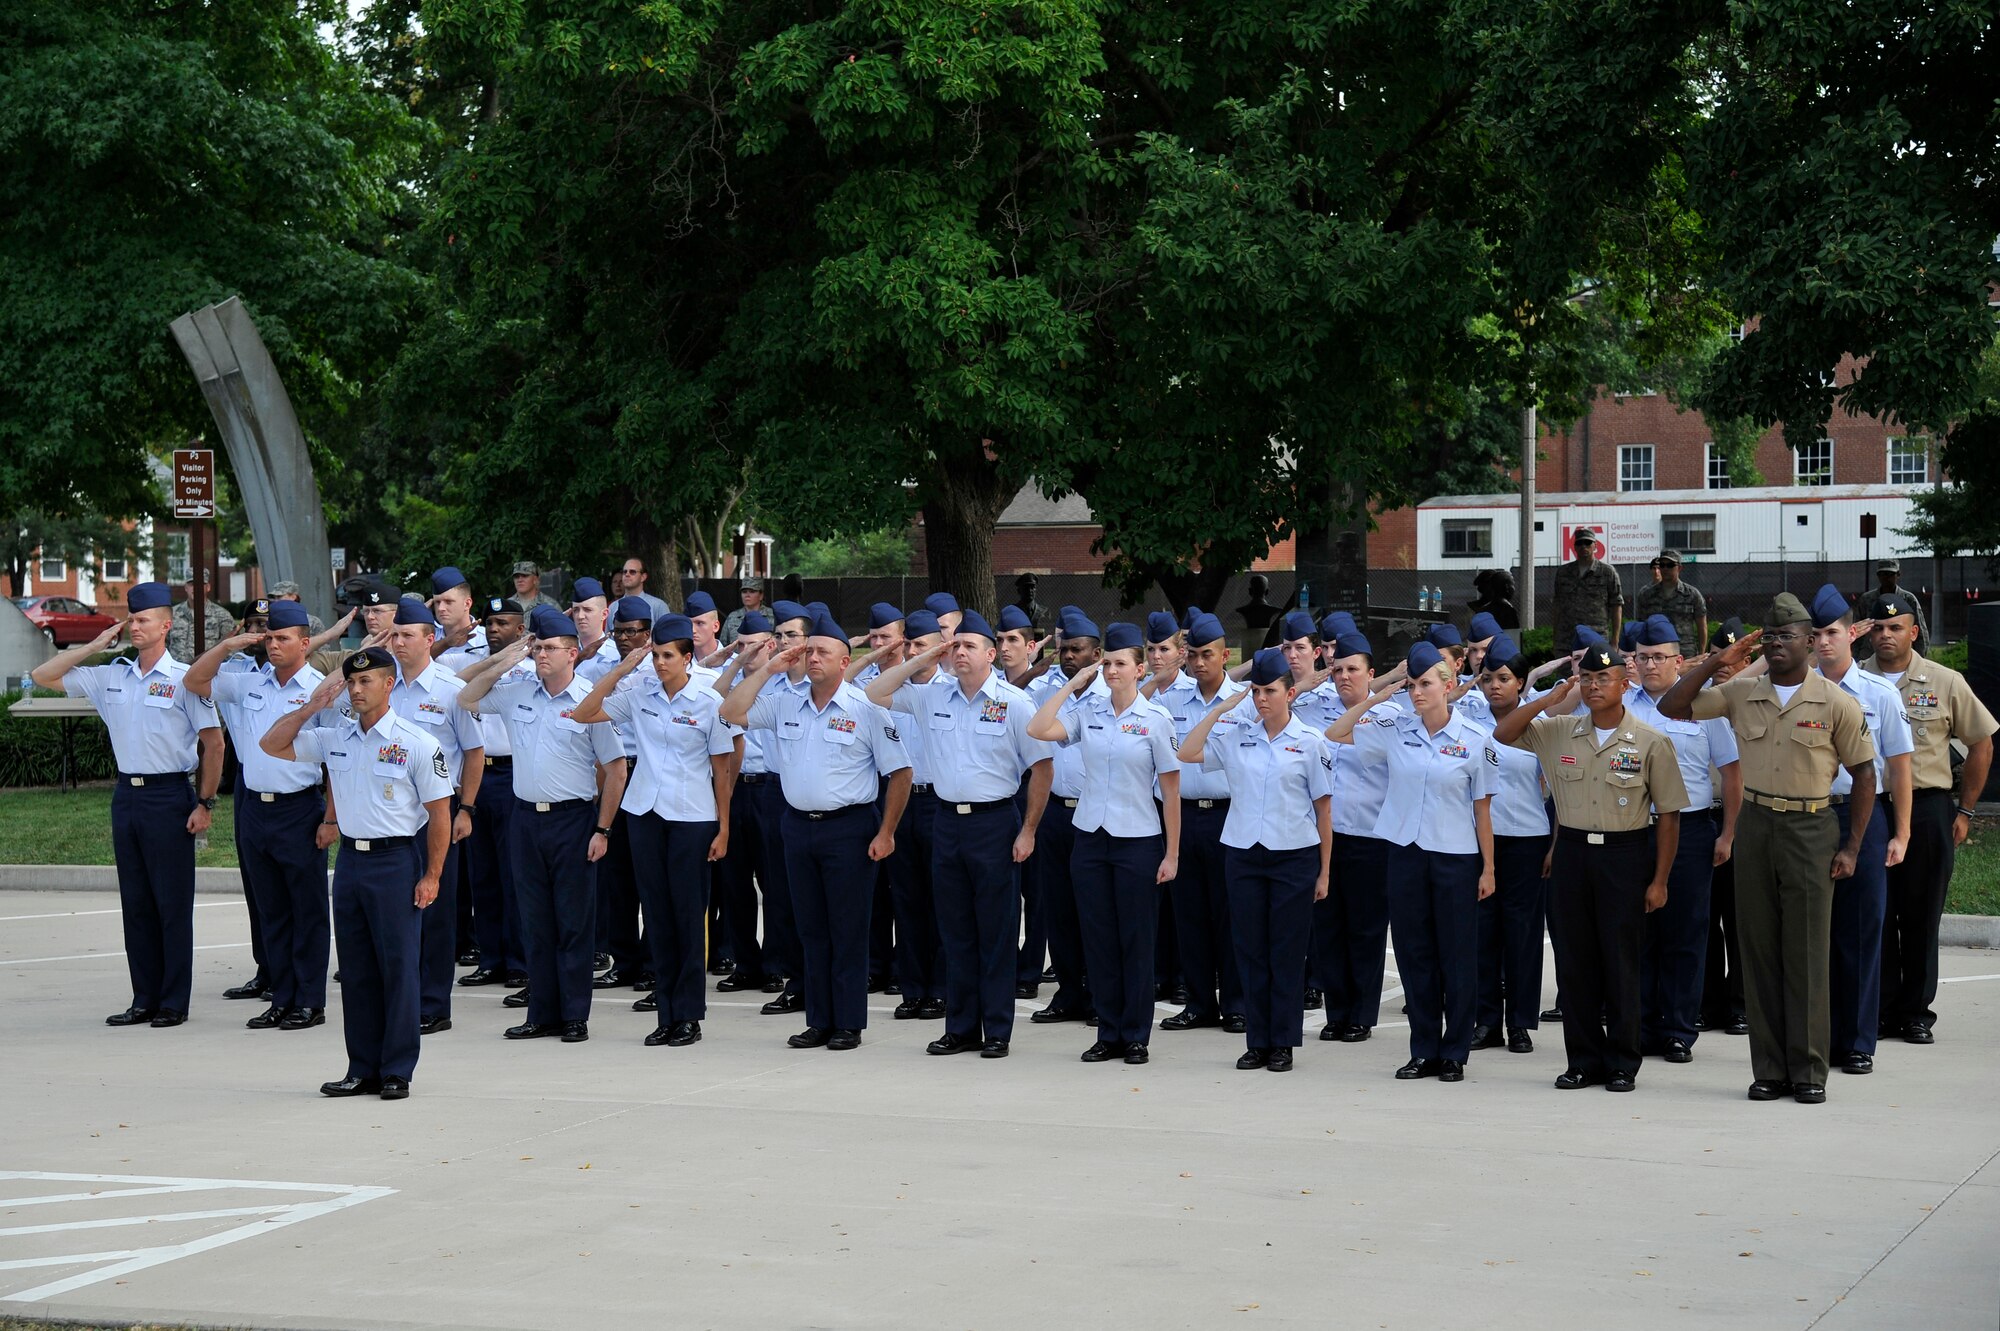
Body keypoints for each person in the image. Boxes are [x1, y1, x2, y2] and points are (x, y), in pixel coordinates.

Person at [1659, 594, 1875, 1103]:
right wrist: (1716, 662)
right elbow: (1673, 705)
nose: (1778, 644)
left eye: (1789, 637)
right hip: (1755, 823)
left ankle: (1809, 1071)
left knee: (1805, 953)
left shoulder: (1835, 702)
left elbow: (1865, 774)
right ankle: (1770, 1069)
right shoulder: (1741, 693)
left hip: (1810, 826)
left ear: (1810, 643)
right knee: (1757, 951)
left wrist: (1853, 846)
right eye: (1771, 637)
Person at [1493, 640, 1687, 1093]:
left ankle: (1622, 1062)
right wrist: (1545, 699)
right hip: (1573, 855)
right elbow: (1504, 732)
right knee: (1575, 962)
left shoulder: (1651, 741)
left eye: (1604, 678)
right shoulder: (1560, 730)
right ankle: (1582, 1058)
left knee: (1620, 963)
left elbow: (1670, 815)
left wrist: (1659, 879)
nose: (1594, 685)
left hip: (1625, 854)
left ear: (1624, 683)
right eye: (1587, 678)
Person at [259, 647, 451, 1100]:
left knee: (399, 968)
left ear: (389, 684)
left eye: (367, 682)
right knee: (358, 970)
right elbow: (272, 744)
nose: (358, 689)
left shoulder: (416, 742)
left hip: (396, 861)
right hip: (351, 863)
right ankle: (361, 1066)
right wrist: (312, 706)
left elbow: (439, 814)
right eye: (351, 682)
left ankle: (397, 1069)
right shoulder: (334, 736)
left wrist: (432, 875)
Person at [33, 583, 223, 1028]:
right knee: (136, 902)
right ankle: (144, 998)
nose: (134, 627)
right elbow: (45, 674)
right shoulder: (112, 675)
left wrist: (205, 803)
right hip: (128, 797)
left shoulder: (186, 679)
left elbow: (213, 746)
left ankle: (174, 1001)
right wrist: (95, 645)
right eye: (130, 620)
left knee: (171, 904)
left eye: (143, 620)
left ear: (165, 625)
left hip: (170, 795)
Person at [723, 610, 911, 1051]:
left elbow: (900, 773)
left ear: (845, 662)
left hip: (848, 829)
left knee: (846, 930)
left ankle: (848, 1022)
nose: (812, 659)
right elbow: (730, 710)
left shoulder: (864, 708)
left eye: (822, 652)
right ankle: (818, 1019)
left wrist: (886, 833)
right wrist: (770, 668)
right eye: (809, 651)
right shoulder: (787, 701)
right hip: (797, 827)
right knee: (809, 928)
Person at [864, 611, 1050, 1057]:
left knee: (996, 930)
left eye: (970, 646)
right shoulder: (932, 697)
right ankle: (961, 1027)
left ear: (991, 655)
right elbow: (874, 691)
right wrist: (928, 653)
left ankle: (998, 1030)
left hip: (994, 822)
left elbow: (1041, 769)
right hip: (946, 821)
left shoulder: (1013, 702)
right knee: (956, 930)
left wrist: (1028, 831)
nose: (960, 652)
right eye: (956, 645)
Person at [458, 606, 629, 1044]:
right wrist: (508, 659)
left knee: (573, 922)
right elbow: (467, 695)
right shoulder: (518, 692)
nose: (542, 655)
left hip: (573, 820)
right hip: (525, 820)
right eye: (538, 648)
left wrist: (603, 829)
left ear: (573, 654)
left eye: (550, 648)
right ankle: (542, 1012)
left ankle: (574, 1015)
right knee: (535, 921)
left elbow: (615, 769)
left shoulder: (590, 701)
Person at [1326, 642, 1495, 1082]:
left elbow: (1482, 809)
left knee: (1456, 957)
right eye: (1413, 685)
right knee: (1414, 953)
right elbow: (1337, 733)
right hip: (1404, 853)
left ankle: (1454, 1051)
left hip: (1455, 857)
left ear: (1449, 685)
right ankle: (1423, 1048)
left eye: (1426, 684)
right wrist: (1379, 696)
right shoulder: (1396, 729)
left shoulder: (1475, 739)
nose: (1418, 693)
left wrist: (1489, 868)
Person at [572, 613, 736, 1047]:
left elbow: (723, 770)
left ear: (687, 657)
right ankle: (665, 1012)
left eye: (668, 656)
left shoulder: (709, 701)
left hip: (692, 817)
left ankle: (689, 1015)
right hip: (645, 813)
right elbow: (585, 711)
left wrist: (723, 828)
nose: (660, 663)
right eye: (656, 655)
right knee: (658, 917)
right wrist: (624, 668)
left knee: (686, 917)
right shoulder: (640, 693)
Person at [1027, 622, 1181, 1065]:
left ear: (1138, 669)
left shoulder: (1156, 720)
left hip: (1138, 840)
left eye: (1120, 664)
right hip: (1091, 838)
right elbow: (1040, 729)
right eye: (1107, 663)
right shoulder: (1088, 709)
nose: (1112, 670)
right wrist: (1075, 681)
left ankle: (1135, 1035)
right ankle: (1107, 1032)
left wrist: (1172, 853)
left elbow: (1171, 791)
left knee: (1135, 941)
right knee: (1098, 939)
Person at [1176, 647, 1332, 1072]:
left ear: (1290, 694)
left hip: (1293, 857)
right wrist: (1223, 708)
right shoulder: (1237, 736)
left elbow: (1323, 810)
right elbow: (1187, 753)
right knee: (1250, 951)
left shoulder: (1310, 742)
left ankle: (1282, 1042)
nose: (1262, 699)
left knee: (1285, 952)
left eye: (1270, 691)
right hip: (1243, 854)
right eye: (1257, 691)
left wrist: (1324, 871)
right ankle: (1256, 1041)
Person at [185, 601, 330, 1031]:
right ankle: (281, 998)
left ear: (304, 643)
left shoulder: (320, 689)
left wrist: (332, 819)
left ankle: (309, 1000)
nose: (273, 644)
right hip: (255, 809)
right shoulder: (249, 682)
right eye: (268, 637)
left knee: (306, 911)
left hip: (301, 808)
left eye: (282, 638)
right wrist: (228, 646)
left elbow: (338, 758)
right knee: (271, 911)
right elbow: (195, 679)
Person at [1865, 593, 1993, 1045]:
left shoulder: (1944, 681)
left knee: (1920, 916)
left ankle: (1916, 1012)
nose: (1885, 635)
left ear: (1913, 632)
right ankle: (1877, 1010)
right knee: (1875, 913)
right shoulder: (1852, 680)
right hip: (1871, 808)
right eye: (1878, 628)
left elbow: (1982, 743)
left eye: (1895, 627)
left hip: (1928, 809)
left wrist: (1965, 810)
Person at [1802, 585, 1913, 1076]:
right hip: (1808, 815)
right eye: (1816, 634)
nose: (1824, 642)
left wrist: (1902, 834)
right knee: (1813, 933)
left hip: (1864, 817)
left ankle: (1859, 1041)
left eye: (1831, 632)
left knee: (1862, 932)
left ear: (1853, 633)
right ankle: (1818, 1036)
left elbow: (1901, 768)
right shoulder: (1797, 691)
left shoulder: (1879, 694)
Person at [1622, 615, 1741, 1065]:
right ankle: (1642, 1025)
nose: (1651, 665)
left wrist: (1728, 832)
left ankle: (1677, 1029)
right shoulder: (1622, 705)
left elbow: (1731, 772)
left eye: (1660, 657)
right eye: (1644, 657)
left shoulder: (1702, 706)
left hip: (1690, 831)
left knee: (1686, 932)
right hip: (1633, 831)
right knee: (1638, 934)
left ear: (1679, 661)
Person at [385, 601, 484, 1035]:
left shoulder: (449, 689)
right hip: (390, 813)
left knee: (437, 910)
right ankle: (402, 998)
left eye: (407, 635)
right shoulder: (383, 686)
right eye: (394, 635)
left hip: (437, 813)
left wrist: (466, 809)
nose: (398, 642)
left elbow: (475, 751)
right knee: (397, 909)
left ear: (430, 640)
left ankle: (433, 1004)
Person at [1155, 612, 1249, 1034]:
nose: (1198, 663)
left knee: (1230, 915)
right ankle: (1198, 1002)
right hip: (1183, 816)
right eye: (1191, 655)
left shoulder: (1245, 701)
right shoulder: (1171, 701)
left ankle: (1236, 1002)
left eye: (1206, 655)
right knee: (1188, 914)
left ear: (1225, 655)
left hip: (1229, 815)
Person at [1316, 630, 1402, 1043]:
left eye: (1353, 669)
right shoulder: (1317, 715)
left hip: (1371, 839)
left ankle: (1361, 1014)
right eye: (1338, 670)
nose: (1345, 676)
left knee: (1366, 930)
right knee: (1329, 927)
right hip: (1328, 838)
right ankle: (1336, 1011)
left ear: (1372, 673)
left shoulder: (1391, 717)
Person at [1018, 608, 1108, 1000]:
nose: (1069, 655)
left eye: (1077, 649)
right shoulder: (1046, 689)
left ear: (1096, 653)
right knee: (1059, 906)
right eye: (1064, 649)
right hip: (1055, 810)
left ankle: (1096, 992)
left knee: (1094, 909)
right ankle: (1069, 991)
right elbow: (1023, 714)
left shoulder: (1112, 693)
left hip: (1095, 813)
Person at [1468, 635, 1549, 1055]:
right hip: (1480, 842)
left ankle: (1519, 1022)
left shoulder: (1540, 725)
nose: (1495, 686)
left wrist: (1554, 844)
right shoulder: (1467, 722)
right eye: (1487, 678)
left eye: (1504, 678)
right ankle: (1485, 1020)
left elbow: (1557, 789)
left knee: (1522, 933)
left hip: (1528, 839)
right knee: (1483, 933)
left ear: (1521, 683)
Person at [875, 609, 948, 1020]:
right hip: (901, 801)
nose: (914, 653)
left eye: (922, 646)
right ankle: (913, 987)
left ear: (939, 650)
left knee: (941, 900)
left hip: (940, 801)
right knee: (907, 899)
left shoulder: (952, 691)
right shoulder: (893, 691)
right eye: (910, 645)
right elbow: (864, 693)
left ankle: (940, 987)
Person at [459, 597, 534, 991]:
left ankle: (518, 960)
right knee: (482, 872)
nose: (493, 629)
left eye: (503, 623)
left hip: (511, 776)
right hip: (476, 778)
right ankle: (490, 958)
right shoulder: (475, 666)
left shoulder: (533, 670)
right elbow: (459, 691)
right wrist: (494, 662)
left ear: (520, 630)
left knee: (512, 874)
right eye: (489, 623)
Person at [590, 597, 656, 998]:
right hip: (612, 771)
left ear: (647, 634)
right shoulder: (603, 670)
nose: (625, 639)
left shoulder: (656, 669)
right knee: (617, 878)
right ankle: (625, 960)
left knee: (648, 876)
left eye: (633, 632)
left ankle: (651, 963)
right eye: (619, 632)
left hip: (644, 772)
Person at [1701, 618, 1753, 1035]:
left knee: (1740, 919)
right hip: (1705, 817)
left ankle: (1740, 1003)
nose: (1724, 666)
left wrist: (1732, 832)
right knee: (1704, 918)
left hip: (1747, 818)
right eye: (1718, 657)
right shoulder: (1697, 704)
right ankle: (1710, 1003)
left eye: (1732, 659)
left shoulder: (1757, 701)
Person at [1552, 528, 1622, 642]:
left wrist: (1615, 640)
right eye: (1579, 543)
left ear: (1595, 546)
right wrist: (1555, 637)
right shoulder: (1563, 572)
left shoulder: (1607, 572)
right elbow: (1557, 606)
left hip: (1596, 637)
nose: (1583, 546)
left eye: (1587, 542)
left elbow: (1616, 605)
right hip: (1567, 639)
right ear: (1574, 547)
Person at [1635, 550, 1708, 654]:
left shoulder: (1692, 594)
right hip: (1657, 651)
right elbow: (1641, 626)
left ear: (1679, 568)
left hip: (1685, 652)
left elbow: (1702, 626)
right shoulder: (1647, 595)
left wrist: (1701, 653)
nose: (1665, 569)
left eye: (1670, 565)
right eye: (1662, 565)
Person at [168, 572, 237, 663]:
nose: (196, 588)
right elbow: (161, 645)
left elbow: (231, 650)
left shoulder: (222, 616)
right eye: (192, 584)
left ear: (208, 587)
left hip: (208, 674)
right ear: (186, 587)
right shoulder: (172, 614)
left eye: (200, 584)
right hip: (176, 673)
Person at [1862, 560, 1929, 652]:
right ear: (1878, 576)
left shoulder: (1908, 599)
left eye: (1890, 574)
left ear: (1898, 575)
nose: (1886, 578)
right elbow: (1858, 629)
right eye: (1883, 574)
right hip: (1870, 654)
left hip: (1901, 654)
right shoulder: (1867, 599)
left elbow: (1921, 631)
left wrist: (1919, 658)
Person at [427, 567, 486, 667]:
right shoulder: (427, 639)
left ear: (467, 604)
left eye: (448, 602)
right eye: (437, 602)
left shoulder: (486, 639)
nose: (441, 608)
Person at [615, 555, 672, 622]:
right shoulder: (613, 607)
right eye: (624, 572)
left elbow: (666, 631)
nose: (627, 574)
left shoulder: (658, 606)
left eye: (632, 572)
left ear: (643, 577)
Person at [720, 576, 764, 645]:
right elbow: (723, 645)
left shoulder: (772, 616)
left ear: (761, 595)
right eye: (744, 592)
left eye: (752, 591)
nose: (747, 595)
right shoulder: (732, 617)